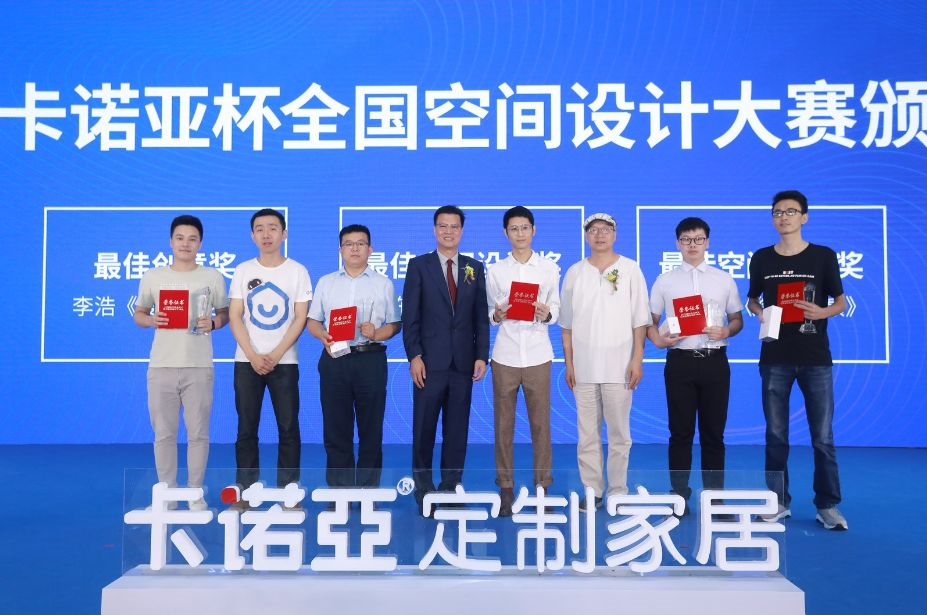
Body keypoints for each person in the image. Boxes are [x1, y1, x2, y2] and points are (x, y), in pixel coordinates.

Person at [747, 190, 848, 530]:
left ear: (804, 217)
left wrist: (821, 312)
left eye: (791, 211)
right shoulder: (762, 258)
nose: (783, 217)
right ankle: (777, 502)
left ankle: (827, 505)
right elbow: (752, 299)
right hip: (774, 357)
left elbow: (841, 302)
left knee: (822, 437)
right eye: (777, 212)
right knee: (776, 435)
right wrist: (760, 313)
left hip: (815, 357)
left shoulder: (823, 256)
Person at [648, 217, 743, 515]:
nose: (693, 245)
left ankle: (715, 499)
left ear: (708, 242)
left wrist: (726, 331)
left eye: (698, 239)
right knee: (680, 433)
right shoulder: (665, 281)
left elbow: (737, 319)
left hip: (715, 362)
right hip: (680, 362)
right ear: (677, 243)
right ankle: (679, 496)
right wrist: (659, 340)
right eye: (686, 239)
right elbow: (649, 321)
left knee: (714, 434)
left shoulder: (723, 279)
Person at [134, 215, 229, 510]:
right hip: (161, 365)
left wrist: (214, 323)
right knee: (164, 434)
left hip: (199, 366)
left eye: (192, 239)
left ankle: (195, 493)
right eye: (180, 238)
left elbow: (225, 314)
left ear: (200, 243)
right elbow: (139, 313)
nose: (185, 244)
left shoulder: (212, 276)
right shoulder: (153, 276)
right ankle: (168, 495)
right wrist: (151, 320)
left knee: (198, 433)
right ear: (170, 241)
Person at [402, 205, 490, 515]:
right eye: (443, 226)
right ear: (434, 229)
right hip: (429, 363)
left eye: (454, 226)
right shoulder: (419, 266)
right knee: (423, 428)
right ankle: (424, 489)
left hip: (463, 364)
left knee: (457, 430)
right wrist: (414, 356)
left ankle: (451, 487)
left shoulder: (474, 268)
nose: (448, 231)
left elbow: (480, 317)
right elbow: (410, 317)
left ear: (461, 231)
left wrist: (481, 356)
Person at [561, 213, 650, 511]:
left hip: (620, 367)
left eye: (605, 229)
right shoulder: (575, 272)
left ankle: (618, 490)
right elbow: (566, 325)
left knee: (619, 435)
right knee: (586, 434)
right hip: (583, 368)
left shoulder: (630, 269)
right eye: (593, 230)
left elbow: (640, 320)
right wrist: (569, 363)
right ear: (586, 235)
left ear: (615, 233)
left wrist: (637, 359)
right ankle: (592, 491)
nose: (599, 235)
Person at [307, 224, 401, 489]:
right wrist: (323, 336)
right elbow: (313, 321)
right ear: (340, 250)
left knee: (371, 428)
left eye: (361, 243)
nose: (355, 248)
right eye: (349, 244)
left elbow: (395, 324)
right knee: (336, 428)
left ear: (370, 249)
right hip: (335, 359)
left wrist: (378, 333)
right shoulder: (326, 282)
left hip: (370, 359)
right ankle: (340, 492)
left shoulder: (383, 283)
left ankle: (368, 491)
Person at [228, 208, 312, 504]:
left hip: (284, 362)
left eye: (273, 228)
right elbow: (235, 316)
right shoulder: (243, 270)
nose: (266, 234)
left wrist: (275, 354)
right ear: (252, 235)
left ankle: (289, 492)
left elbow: (300, 317)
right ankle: (245, 491)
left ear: (284, 234)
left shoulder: (298, 271)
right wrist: (252, 354)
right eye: (260, 229)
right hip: (246, 362)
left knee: (288, 428)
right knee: (246, 428)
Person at [486, 206, 560, 516]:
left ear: (533, 230)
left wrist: (547, 313)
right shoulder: (495, 271)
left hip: (538, 353)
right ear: (506, 233)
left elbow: (556, 308)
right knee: (503, 425)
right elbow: (489, 313)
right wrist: (497, 315)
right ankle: (506, 489)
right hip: (505, 354)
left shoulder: (548, 269)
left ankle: (543, 487)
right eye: (514, 228)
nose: (520, 233)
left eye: (525, 227)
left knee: (541, 425)